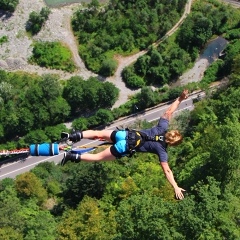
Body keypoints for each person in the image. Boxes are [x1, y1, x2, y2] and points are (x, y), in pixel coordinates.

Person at [61, 89, 189, 200]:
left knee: (97, 133)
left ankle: (72, 136)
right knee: (97, 157)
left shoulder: (162, 127)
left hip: (124, 135)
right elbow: (167, 170)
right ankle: (70, 156)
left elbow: (169, 112)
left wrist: (180, 98)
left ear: (171, 133)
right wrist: (175, 187)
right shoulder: (162, 151)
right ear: (172, 144)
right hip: (124, 147)